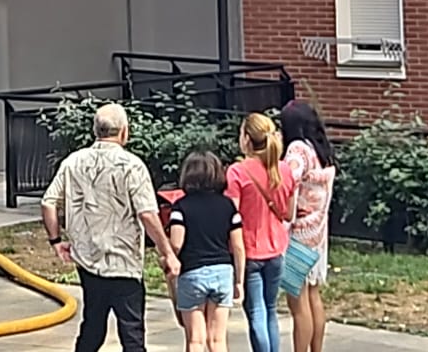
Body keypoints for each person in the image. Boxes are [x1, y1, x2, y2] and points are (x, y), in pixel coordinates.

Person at [41, 103, 180, 352]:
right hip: (123, 264)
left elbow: (48, 202)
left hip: (88, 261)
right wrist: (167, 251)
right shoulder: (132, 166)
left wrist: (55, 240)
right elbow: (147, 214)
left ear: (95, 130)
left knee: (93, 328)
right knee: (132, 335)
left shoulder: (73, 162)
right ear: (124, 131)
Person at [227, 112, 294, 352]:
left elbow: (231, 215)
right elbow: (288, 213)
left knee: (255, 312)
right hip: (277, 249)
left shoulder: (237, 172)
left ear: (246, 138)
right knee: (271, 310)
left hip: (249, 251)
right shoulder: (284, 170)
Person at [169, 152, 245, 352]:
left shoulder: (181, 207)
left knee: (195, 340)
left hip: (192, 273)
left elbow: (177, 243)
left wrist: (168, 258)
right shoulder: (227, 205)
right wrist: (239, 281)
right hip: (222, 272)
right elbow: (238, 246)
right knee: (217, 341)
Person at [280, 102, 338, 352]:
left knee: (298, 301)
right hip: (318, 234)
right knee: (313, 294)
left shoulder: (297, 150)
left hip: (297, 235)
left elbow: (287, 181)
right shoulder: (321, 151)